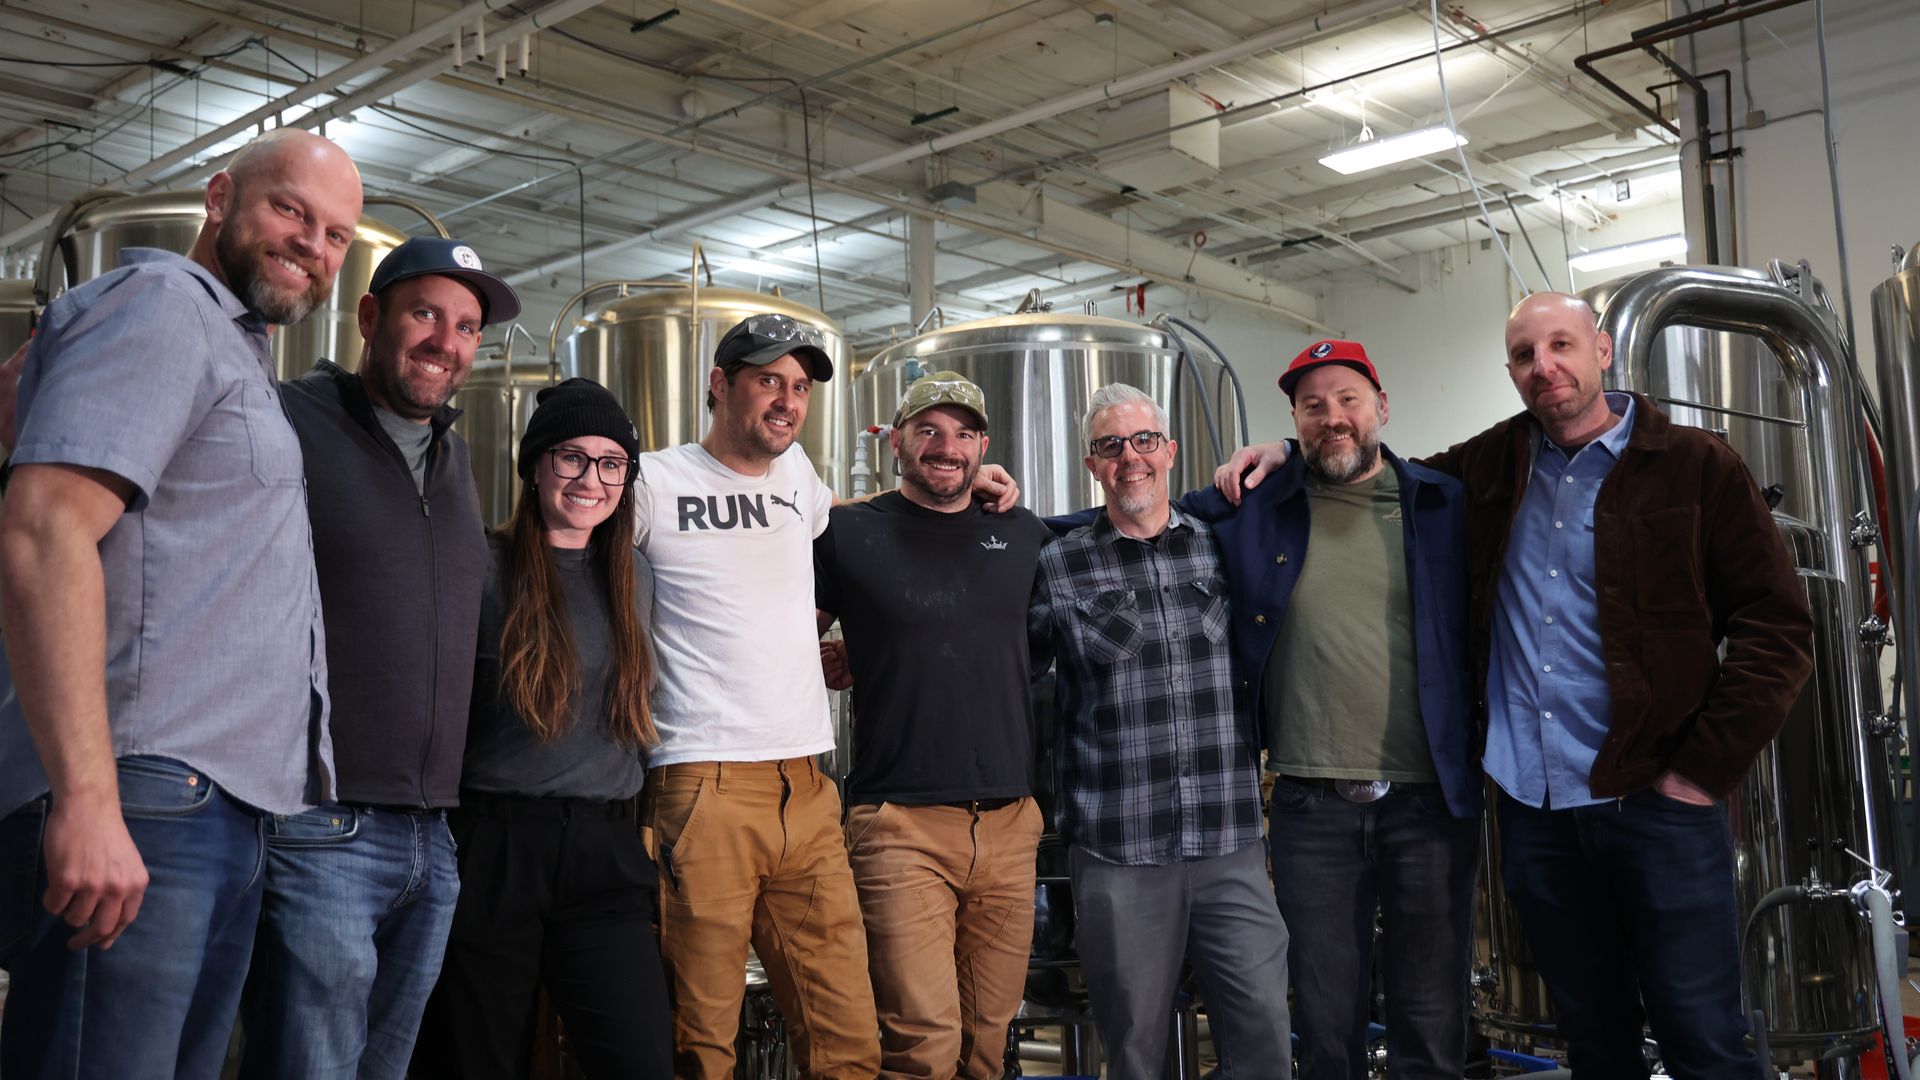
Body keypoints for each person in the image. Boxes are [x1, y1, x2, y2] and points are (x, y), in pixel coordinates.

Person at [1216, 294, 1815, 1078]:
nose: (1546, 367)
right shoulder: (1491, 465)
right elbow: (1363, 466)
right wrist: (1284, 453)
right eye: (1527, 356)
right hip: (1537, 811)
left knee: (1700, 1032)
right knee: (1592, 1036)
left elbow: (1779, 627)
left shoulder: (1697, 466)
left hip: (1657, 803)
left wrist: (1701, 773)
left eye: (1562, 345)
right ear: (1511, 372)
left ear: (1602, 350)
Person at [0, 129, 357, 1079]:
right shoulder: (163, 304)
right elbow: (45, 530)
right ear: (219, 197)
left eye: (335, 235)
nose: (312, 245)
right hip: (146, 795)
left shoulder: (237, 354)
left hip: (214, 811)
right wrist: (86, 798)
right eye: (291, 210)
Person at [239, 236, 522, 1078]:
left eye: (468, 327)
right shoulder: (290, 420)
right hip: (322, 822)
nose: (447, 342)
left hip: (432, 835)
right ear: (371, 316)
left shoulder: (453, 457)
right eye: (426, 314)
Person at [1182, 342, 1478, 1080]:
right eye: (1311, 407)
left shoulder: (1444, 504)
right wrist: (996, 518)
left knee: (1432, 1019)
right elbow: (1141, 515)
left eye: (1347, 399)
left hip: (1429, 801)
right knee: (1324, 1022)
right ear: (1294, 420)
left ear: (1382, 406)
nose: (1332, 418)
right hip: (1310, 808)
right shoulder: (1256, 508)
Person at [636, 313, 879, 1079]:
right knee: (699, 1041)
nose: (786, 400)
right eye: (768, 380)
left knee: (847, 1038)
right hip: (702, 785)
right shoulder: (652, 481)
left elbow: (845, 544)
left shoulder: (797, 475)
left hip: (807, 789)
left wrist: (961, 488)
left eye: (800, 387)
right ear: (719, 385)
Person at [1028, 383, 1292, 1080]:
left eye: (1145, 441)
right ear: (1092, 464)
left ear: (1170, 452)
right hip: (1119, 850)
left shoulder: (1219, 547)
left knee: (1264, 1030)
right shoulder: (1058, 563)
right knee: (1136, 1051)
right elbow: (1005, 672)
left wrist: (1282, 446)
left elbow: (1308, 483)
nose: (1131, 459)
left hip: (1228, 840)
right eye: (1112, 446)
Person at [414, 378, 671, 1079]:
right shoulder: (482, 567)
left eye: (611, 462)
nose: (592, 479)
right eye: (571, 457)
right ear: (534, 465)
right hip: (495, 850)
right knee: (476, 1060)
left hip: (605, 852)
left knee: (640, 1059)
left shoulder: (635, 576)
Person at [813, 372, 1051, 1079]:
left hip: (1010, 824)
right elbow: (781, 629)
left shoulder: (1024, 532)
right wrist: (834, 654)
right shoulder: (848, 531)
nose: (945, 448)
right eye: (928, 431)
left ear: (982, 447)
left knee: (987, 1043)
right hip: (899, 825)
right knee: (923, 1042)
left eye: (962, 434)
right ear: (894, 441)